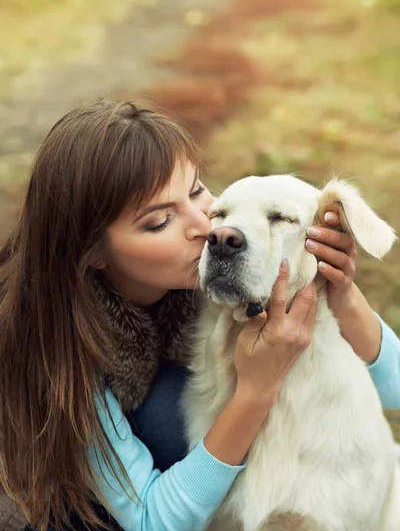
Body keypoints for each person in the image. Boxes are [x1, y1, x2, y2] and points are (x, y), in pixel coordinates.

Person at [0, 99, 398, 531]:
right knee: (168, 408)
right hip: (96, 513)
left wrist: (342, 293)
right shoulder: (54, 351)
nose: (206, 226)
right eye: (158, 222)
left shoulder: (208, 271)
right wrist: (255, 391)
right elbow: (151, 519)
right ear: (93, 252)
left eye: (197, 192)